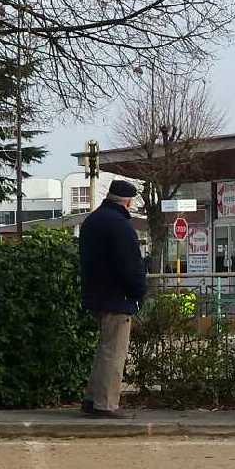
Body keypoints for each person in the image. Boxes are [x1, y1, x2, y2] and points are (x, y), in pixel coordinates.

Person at [79, 179, 147, 419]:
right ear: (127, 202)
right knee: (114, 352)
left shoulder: (92, 221)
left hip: (95, 294)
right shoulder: (120, 225)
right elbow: (130, 265)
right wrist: (138, 291)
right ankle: (105, 403)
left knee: (104, 349)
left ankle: (92, 398)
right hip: (117, 296)